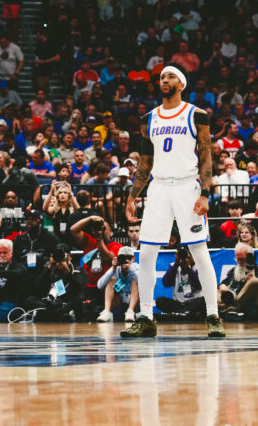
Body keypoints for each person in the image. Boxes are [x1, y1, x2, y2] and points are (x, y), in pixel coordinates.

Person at [122, 65, 225, 338]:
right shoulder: (149, 118)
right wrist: (132, 196)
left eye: (170, 76)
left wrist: (205, 193)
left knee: (199, 251)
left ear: (181, 83)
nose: (164, 80)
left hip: (187, 186)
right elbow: (145, 162)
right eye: (161, 77)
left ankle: (213, 315)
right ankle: (146, 317)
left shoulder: (196, 114)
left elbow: (206, 156)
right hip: (158, 188)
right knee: (146, 253)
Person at [218, 243, 258, 320]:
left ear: (250, 258)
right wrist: (222, 286)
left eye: (242, 259)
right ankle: (228, 309)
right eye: (237, 259)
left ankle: (231, 308)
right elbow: (223, 283)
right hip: (231, 298)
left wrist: (255, 284)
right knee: (214, 290)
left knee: (255, 281)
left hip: (247, 304)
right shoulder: (233, 271)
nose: (239, 262)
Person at [153, 246, 206, 319]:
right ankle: (184, 314)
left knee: (203, 301)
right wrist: (176, 264)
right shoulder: (173, 266)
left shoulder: (198, 266)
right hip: (178, 304)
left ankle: (178, 314)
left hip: (193, 302)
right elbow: (166, 283)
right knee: (159, 301)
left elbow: (199, 286)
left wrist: (188, 269)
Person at [96, 246, 140, 322]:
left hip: (135, 305)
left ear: (133, 259)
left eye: (129, 258)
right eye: (123, 258)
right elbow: (99, 285)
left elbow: (143, 284)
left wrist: (130, 269)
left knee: (136, 281)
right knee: (112, 279)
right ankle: (107, 311)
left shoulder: (136, 267)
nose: (126, 260)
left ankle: (130, 311)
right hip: (120, 302)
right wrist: (113, 269)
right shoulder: (116, 268)